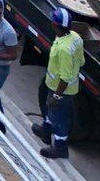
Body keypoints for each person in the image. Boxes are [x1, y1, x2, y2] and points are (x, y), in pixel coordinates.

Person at [34, 8, 84, 159]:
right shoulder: (75, 37)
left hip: (61, 90)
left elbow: (65, 77)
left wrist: (56, 96)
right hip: (55, 85)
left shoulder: (64, 49)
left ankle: (60, 147)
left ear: (54, 24)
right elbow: (81, 61)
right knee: (50, 110)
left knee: (59, 118)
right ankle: (46, 131)